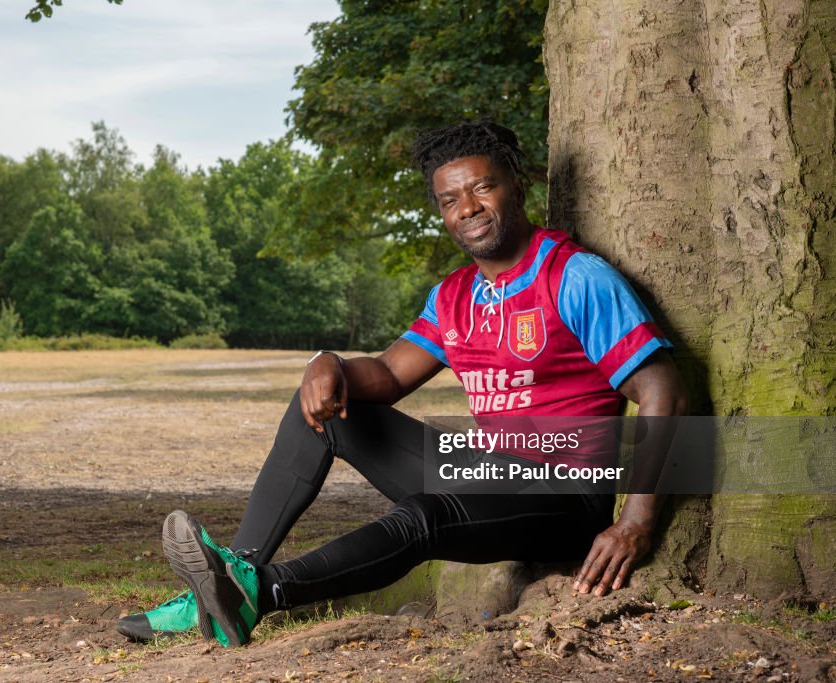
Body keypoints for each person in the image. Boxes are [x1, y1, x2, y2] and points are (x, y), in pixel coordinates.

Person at [116, 120, 687, 647]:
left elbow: (664, 391)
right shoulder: (455, 295)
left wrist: (635, 521)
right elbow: (389, 374)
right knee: (324, 408)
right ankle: (229, 576)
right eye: (450, 200)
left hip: (564, 494)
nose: (468, 208)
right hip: (488, 470)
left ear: (516, 187)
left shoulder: (574, 276)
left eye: (482, 188)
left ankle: (262, 592)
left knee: (425, 515)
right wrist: (327, 362)